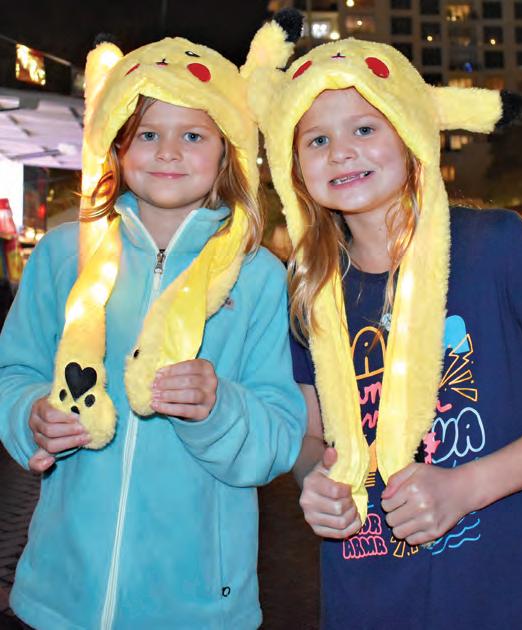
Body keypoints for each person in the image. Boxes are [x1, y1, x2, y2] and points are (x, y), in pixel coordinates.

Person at [246, 35, 522, 629]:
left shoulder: (496, 245)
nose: (341, 152)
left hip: (505, 595)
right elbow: (311, 436)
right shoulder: (308, 289)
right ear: (295, 167)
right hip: (364, 598)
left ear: (411, 133)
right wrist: (314, 480)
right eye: (317, 139)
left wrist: (467, 487)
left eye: (365, 128)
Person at [0, 22, 306, 630]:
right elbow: (15, 372)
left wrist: (218, 408)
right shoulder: (62, 256)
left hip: (197, 606)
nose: (168, 152)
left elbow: (279, 434)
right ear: (117, 146)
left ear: (228, 150)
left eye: (192, 134)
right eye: (147, 133)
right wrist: (30, 414)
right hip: (60, 594)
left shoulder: (258, 277)